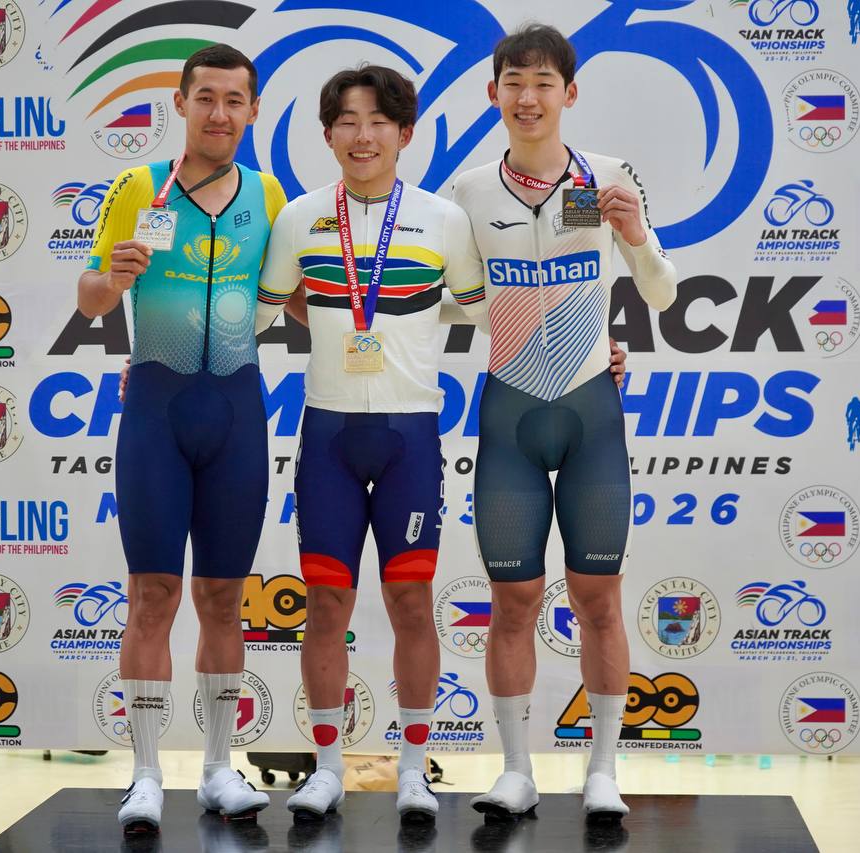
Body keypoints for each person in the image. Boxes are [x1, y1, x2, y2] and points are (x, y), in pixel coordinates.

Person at [450, 24, 677, 823]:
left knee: (599, 596)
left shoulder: (608, 177)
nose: (528, 97)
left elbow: (662, 294)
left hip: (590, 415)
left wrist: (636, 236)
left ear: (569, 93)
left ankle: (603, 770)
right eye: (514, 82)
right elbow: (449, 300)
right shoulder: (467, 192)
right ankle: (516, 771)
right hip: (510, 411)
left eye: (544, 82)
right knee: (512, 598)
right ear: (494, 93)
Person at [253, 64, 489, 825]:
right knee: (326, 603)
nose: (364, 136)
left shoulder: (442, 220)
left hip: (410, 434)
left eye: (379, 121)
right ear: (327, 135)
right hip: (327, 433)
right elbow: (254, 313)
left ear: (405, 133)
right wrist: (156, 350)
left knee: (411, 600)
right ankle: (327, 769)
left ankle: (414, 770)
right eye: (348, 122)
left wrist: (597, 347)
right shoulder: (299, 218)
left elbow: (491, 311)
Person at [76, 43, 287, 834]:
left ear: (253, 110)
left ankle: (219, 767)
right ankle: (143, 774)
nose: (219, 114)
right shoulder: (140, 187)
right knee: (153, 595)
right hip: (156, 414)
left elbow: (301, 296)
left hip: (235, 413)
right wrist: (115, 276)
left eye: (235, 100)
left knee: (224, 598)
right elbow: (90, 297)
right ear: (181, 102)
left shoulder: (268, 194)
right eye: (206, 98)